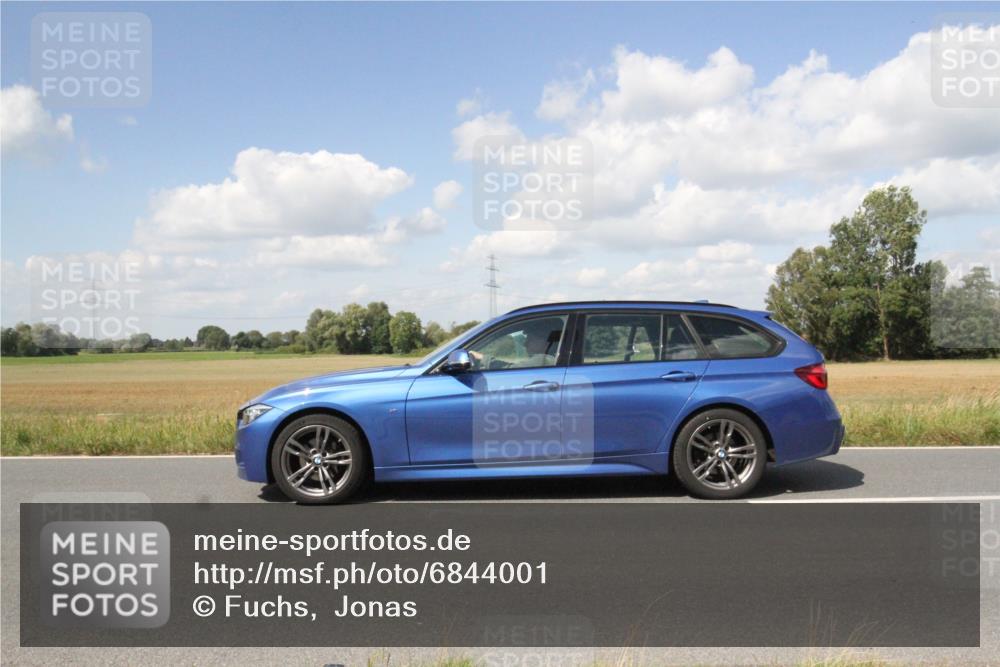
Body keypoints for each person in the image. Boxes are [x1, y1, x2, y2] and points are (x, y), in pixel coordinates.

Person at [469, 319, 562, 370]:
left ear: (546, 341)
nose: (525, 344)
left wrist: (481, 358)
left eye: (530, 339)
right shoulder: (553, 361)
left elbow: (507, 370)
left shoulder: (543, 360)